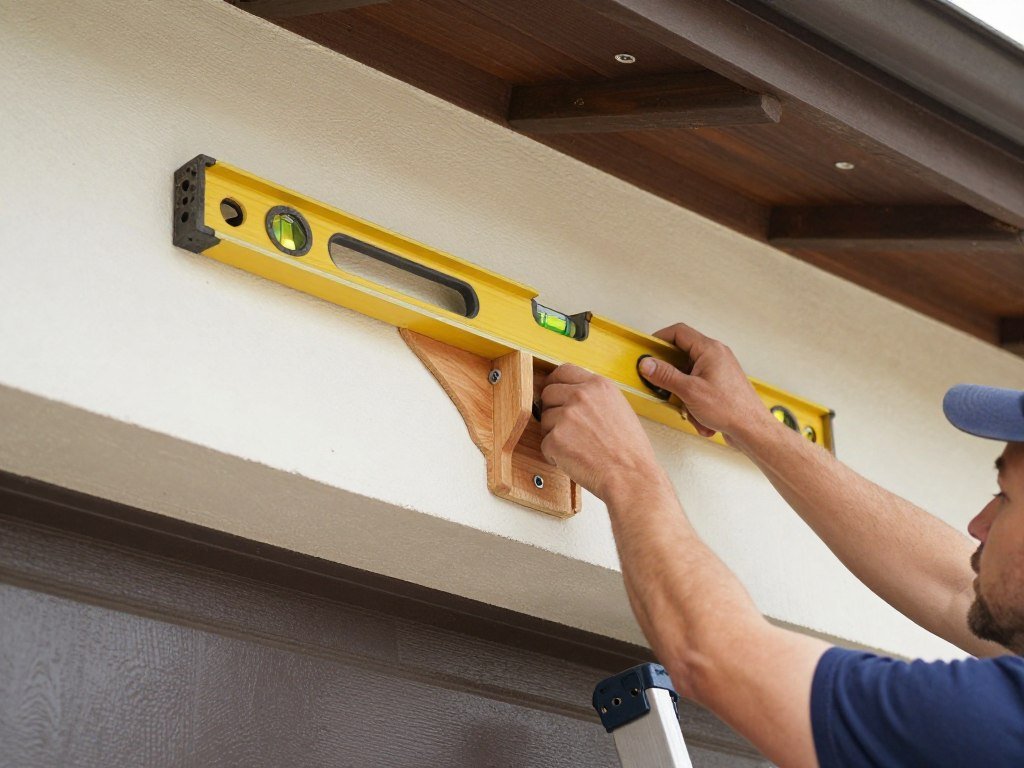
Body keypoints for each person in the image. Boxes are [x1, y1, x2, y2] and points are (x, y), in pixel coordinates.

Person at [537, 321, 1024, 767]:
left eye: (1003, 497)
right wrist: (751, 423)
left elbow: (715, 654)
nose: (977, 525)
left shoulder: (1000, 720)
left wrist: (626, 472)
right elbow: (953, 587)